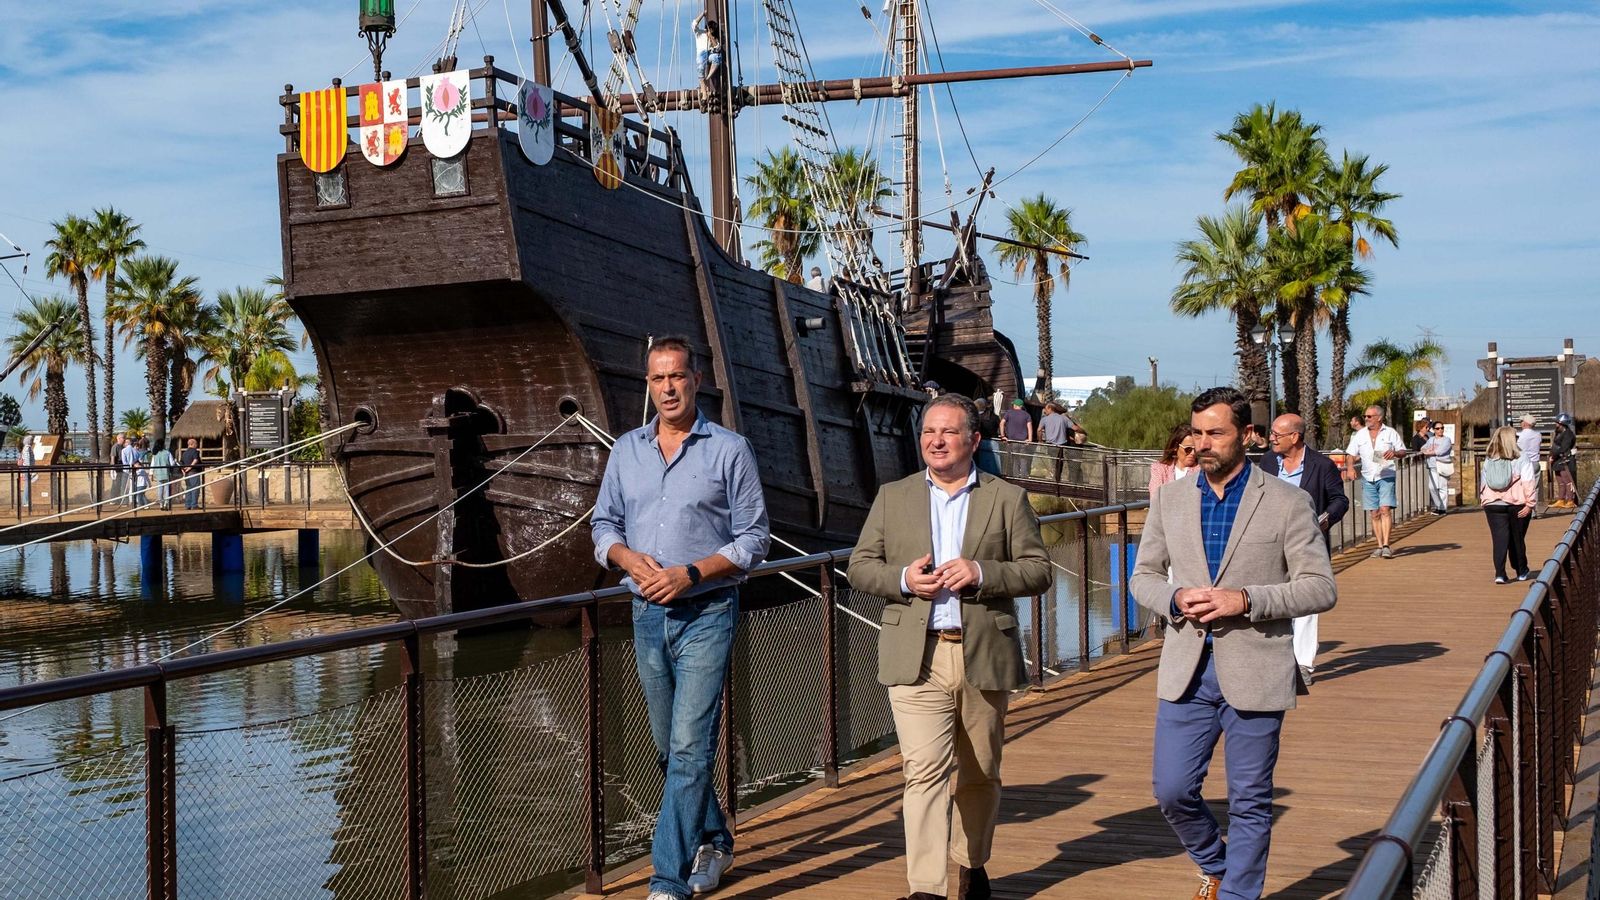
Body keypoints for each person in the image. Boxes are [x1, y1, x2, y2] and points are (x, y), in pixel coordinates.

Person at [1131, 386, 1337, 900]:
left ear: (1247, 435)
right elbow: (1143, 576)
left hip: (1257, 668)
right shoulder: (1170, 499)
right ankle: (1216, 864)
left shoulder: (1289, 501)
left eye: (1215, 433)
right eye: (1197, 433)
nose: (1202, 444)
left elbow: (1320, 587)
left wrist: (1245, 600)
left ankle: (1238, 895)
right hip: (1186, 670)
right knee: (1171, 790)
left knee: (1250, 800)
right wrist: (1174, 598)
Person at [847, 392, 1051, 900]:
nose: (936, 441)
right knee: (923, 772)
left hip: (983, 651)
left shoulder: (1006, 498)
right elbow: (859, 568)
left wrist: (982, 572)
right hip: (916, 655)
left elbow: (1038, 570)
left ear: (973, 440)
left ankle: (971, 861)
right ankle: (926, 888)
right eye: (928, 432)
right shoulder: (893, 496)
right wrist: (903, 579)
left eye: (948, 432)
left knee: (980, 771)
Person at [590, 336, 770, 900]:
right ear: (648, 385)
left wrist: (691, 574)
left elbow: (754, 539)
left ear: (696, 380)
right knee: (671, 749)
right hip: (646, 614)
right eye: (657, 379)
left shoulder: (730, 450)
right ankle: (715, 839)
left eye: (676, 377)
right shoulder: (627, 450)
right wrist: (625, 557)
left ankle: (667, 879)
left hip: (708, 611)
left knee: (691, 747)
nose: (667, 388)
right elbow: (603, 525)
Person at [1258, 413, 1349, 687]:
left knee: (1307, 602)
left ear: (1295, 437)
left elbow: (1340, 500)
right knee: (1272, 597)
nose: (1272, 438)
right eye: (1272, 433)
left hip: (1307, 543)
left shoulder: (1322, 465)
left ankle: (1303, 664)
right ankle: (1275, 659)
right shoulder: (1266, 462)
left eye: (1277, 434)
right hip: (1270, 543)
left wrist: (1324, 520)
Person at [1345, 406, 1406, 559]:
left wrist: (1395, 453)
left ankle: (1386, 545)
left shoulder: (1390, 432)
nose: (1366, 419)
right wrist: (1350, 468)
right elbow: (1350, 454)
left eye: (1369, 416)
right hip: (1367, 477)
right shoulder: (1360, 434)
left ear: (1379, 417)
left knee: (1385, 509)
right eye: (1365, 416)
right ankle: (1379, 545)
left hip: (1386, 475)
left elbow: (1403, 451)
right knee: (1374, 513)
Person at [1480, 425, 1538, 584]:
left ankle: (1500, 574)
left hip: (1492, 504)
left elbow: (1484, 480)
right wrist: (1530, 504)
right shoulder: (1521, 457)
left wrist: (1484, 499)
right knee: (1517, 538)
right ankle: (1521, 570)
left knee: (1499, 540)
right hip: (1517, 503)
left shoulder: (1490, 457)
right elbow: (1528, 482)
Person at [1148, 422, 1197, 497]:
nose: (1193, 453)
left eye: (1196, 449)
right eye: (1188, 449)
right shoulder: (1160, 469)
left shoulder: (1202, 471)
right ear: (1175, 447)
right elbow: (1155, 497)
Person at [1420, 422, 1455, 514]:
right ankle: (1438, 506)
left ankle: (1442, 509)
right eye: (1438, 428)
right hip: (1432, 466)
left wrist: (1429, 452)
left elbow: (1440, 451)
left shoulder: (1446, 440)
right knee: (1432, 487)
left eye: (1442, 428)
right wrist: (1426, 450)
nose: (1440, 430)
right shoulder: (1431, 439)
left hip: (1442, 465)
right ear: (1434, 430)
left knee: (1443, 487)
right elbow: (1423, 448)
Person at [997, 398, 1032, 479]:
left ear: (1016, 405)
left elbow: (1002, 423)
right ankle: (1023, 477)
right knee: (1023, 459)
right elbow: (1029, 427)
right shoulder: (1027, 415)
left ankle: (1015, 477)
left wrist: (1003, 436)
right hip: (1023, 441)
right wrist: (1030, 439)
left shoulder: (1009, 413)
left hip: (1012, 441)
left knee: (1014, 459)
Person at [1552, 414, 1578, 509]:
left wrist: (1554, 456)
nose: (1556, 424)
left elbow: (1563, 448)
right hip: (1557, 460)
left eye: (1557, 422)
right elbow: (1556, 446)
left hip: (1565, 460)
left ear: (1562, 423)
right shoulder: (1558, 432)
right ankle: (1561, 500)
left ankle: (1570, 500)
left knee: (1568, 481)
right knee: (1560, 481)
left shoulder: (1568, 434)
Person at [1517, 415, 1544, 508]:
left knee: (1522, 487)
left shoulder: (1519, 435)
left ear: (1525, 423)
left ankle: (1523, 508)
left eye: (1521, 421)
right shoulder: (1538, 435)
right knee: (1535, 488)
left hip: (1523, 464)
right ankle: (1533, 510)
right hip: (1535, 462)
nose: (1520, 423)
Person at [973, 398, 1002, 477]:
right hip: (993, 440)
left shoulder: (976, 418)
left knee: (983, 465)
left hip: (981, 441)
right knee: (995, 465)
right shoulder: (994, 417)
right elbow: (999, 428)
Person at [692, 13, 723, 87]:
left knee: (717, 57)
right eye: (710, 29)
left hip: (709, 54)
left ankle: (707, 78)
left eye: (713, 31)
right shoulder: (700, 32)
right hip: (702, 53)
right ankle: (702, 82)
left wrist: (711, 37)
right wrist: (702, 14)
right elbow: (694, 24)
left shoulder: (713, 37)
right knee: (701, 65)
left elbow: (717, 48)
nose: (711, 31)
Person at [150, 441, 176, 511]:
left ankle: (161, 504)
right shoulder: (167, 453)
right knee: (167, 490)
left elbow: (152, 465)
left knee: (160, 490)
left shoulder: (155, 454)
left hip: (158, 474)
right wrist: (175, 461)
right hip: (166, 473)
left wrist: (151, 474)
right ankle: (166, 503)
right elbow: (172, 463)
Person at [180, 438, 203, 510]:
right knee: (195, 489)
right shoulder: (195, 451)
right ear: (192, 444)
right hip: (194, 472)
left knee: (188, 488)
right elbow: (195, 460)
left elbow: (181, 462)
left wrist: (184, 470)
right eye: (196, 444)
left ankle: (188, 505)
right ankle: (194, 504)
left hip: (187, 473)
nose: (197, 445)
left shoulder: (184, 453)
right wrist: (190, 467)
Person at [130, 437, 150, 507]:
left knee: (139, 494)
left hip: (141, 484)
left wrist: (149, 483)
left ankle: (141, 504)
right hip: (141, 484)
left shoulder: (141, 470)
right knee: (142, 494)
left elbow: (144, 476)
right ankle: (145, 504)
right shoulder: (139, 470)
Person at [109, 432, 127, 506]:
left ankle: (118, 499)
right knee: (115, 484)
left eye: (124, 438)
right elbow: (113, 458)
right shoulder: (115, 446)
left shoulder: (123, 447)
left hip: (122, 467)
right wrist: (113, 469)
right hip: (117, 467)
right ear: (118, 438)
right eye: (123, 438)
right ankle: (113, 499)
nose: (124, 439)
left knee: (120, 484)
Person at [18, 434, 33, 511]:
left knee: (27, 484)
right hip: (27, 468)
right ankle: (25, 501)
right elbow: (27, 459)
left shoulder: (25, 447)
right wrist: (29, 468)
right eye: (32, 440)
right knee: (27, 485)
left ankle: (26, 501)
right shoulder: (27, 447)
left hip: (25, 468)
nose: (32, 441)